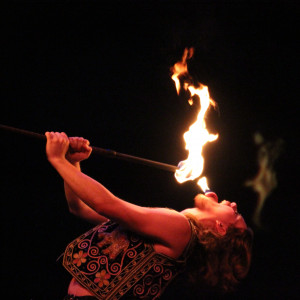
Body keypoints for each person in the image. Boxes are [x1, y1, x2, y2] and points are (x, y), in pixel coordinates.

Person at [45, 132, 253, 300]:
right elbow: (79, 207)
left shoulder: (181, 228)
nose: (233, 203)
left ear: (221, 227)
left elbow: (105, 204)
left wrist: (58, 160)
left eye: (235, 213)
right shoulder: (174, 230)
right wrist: (72, 163)